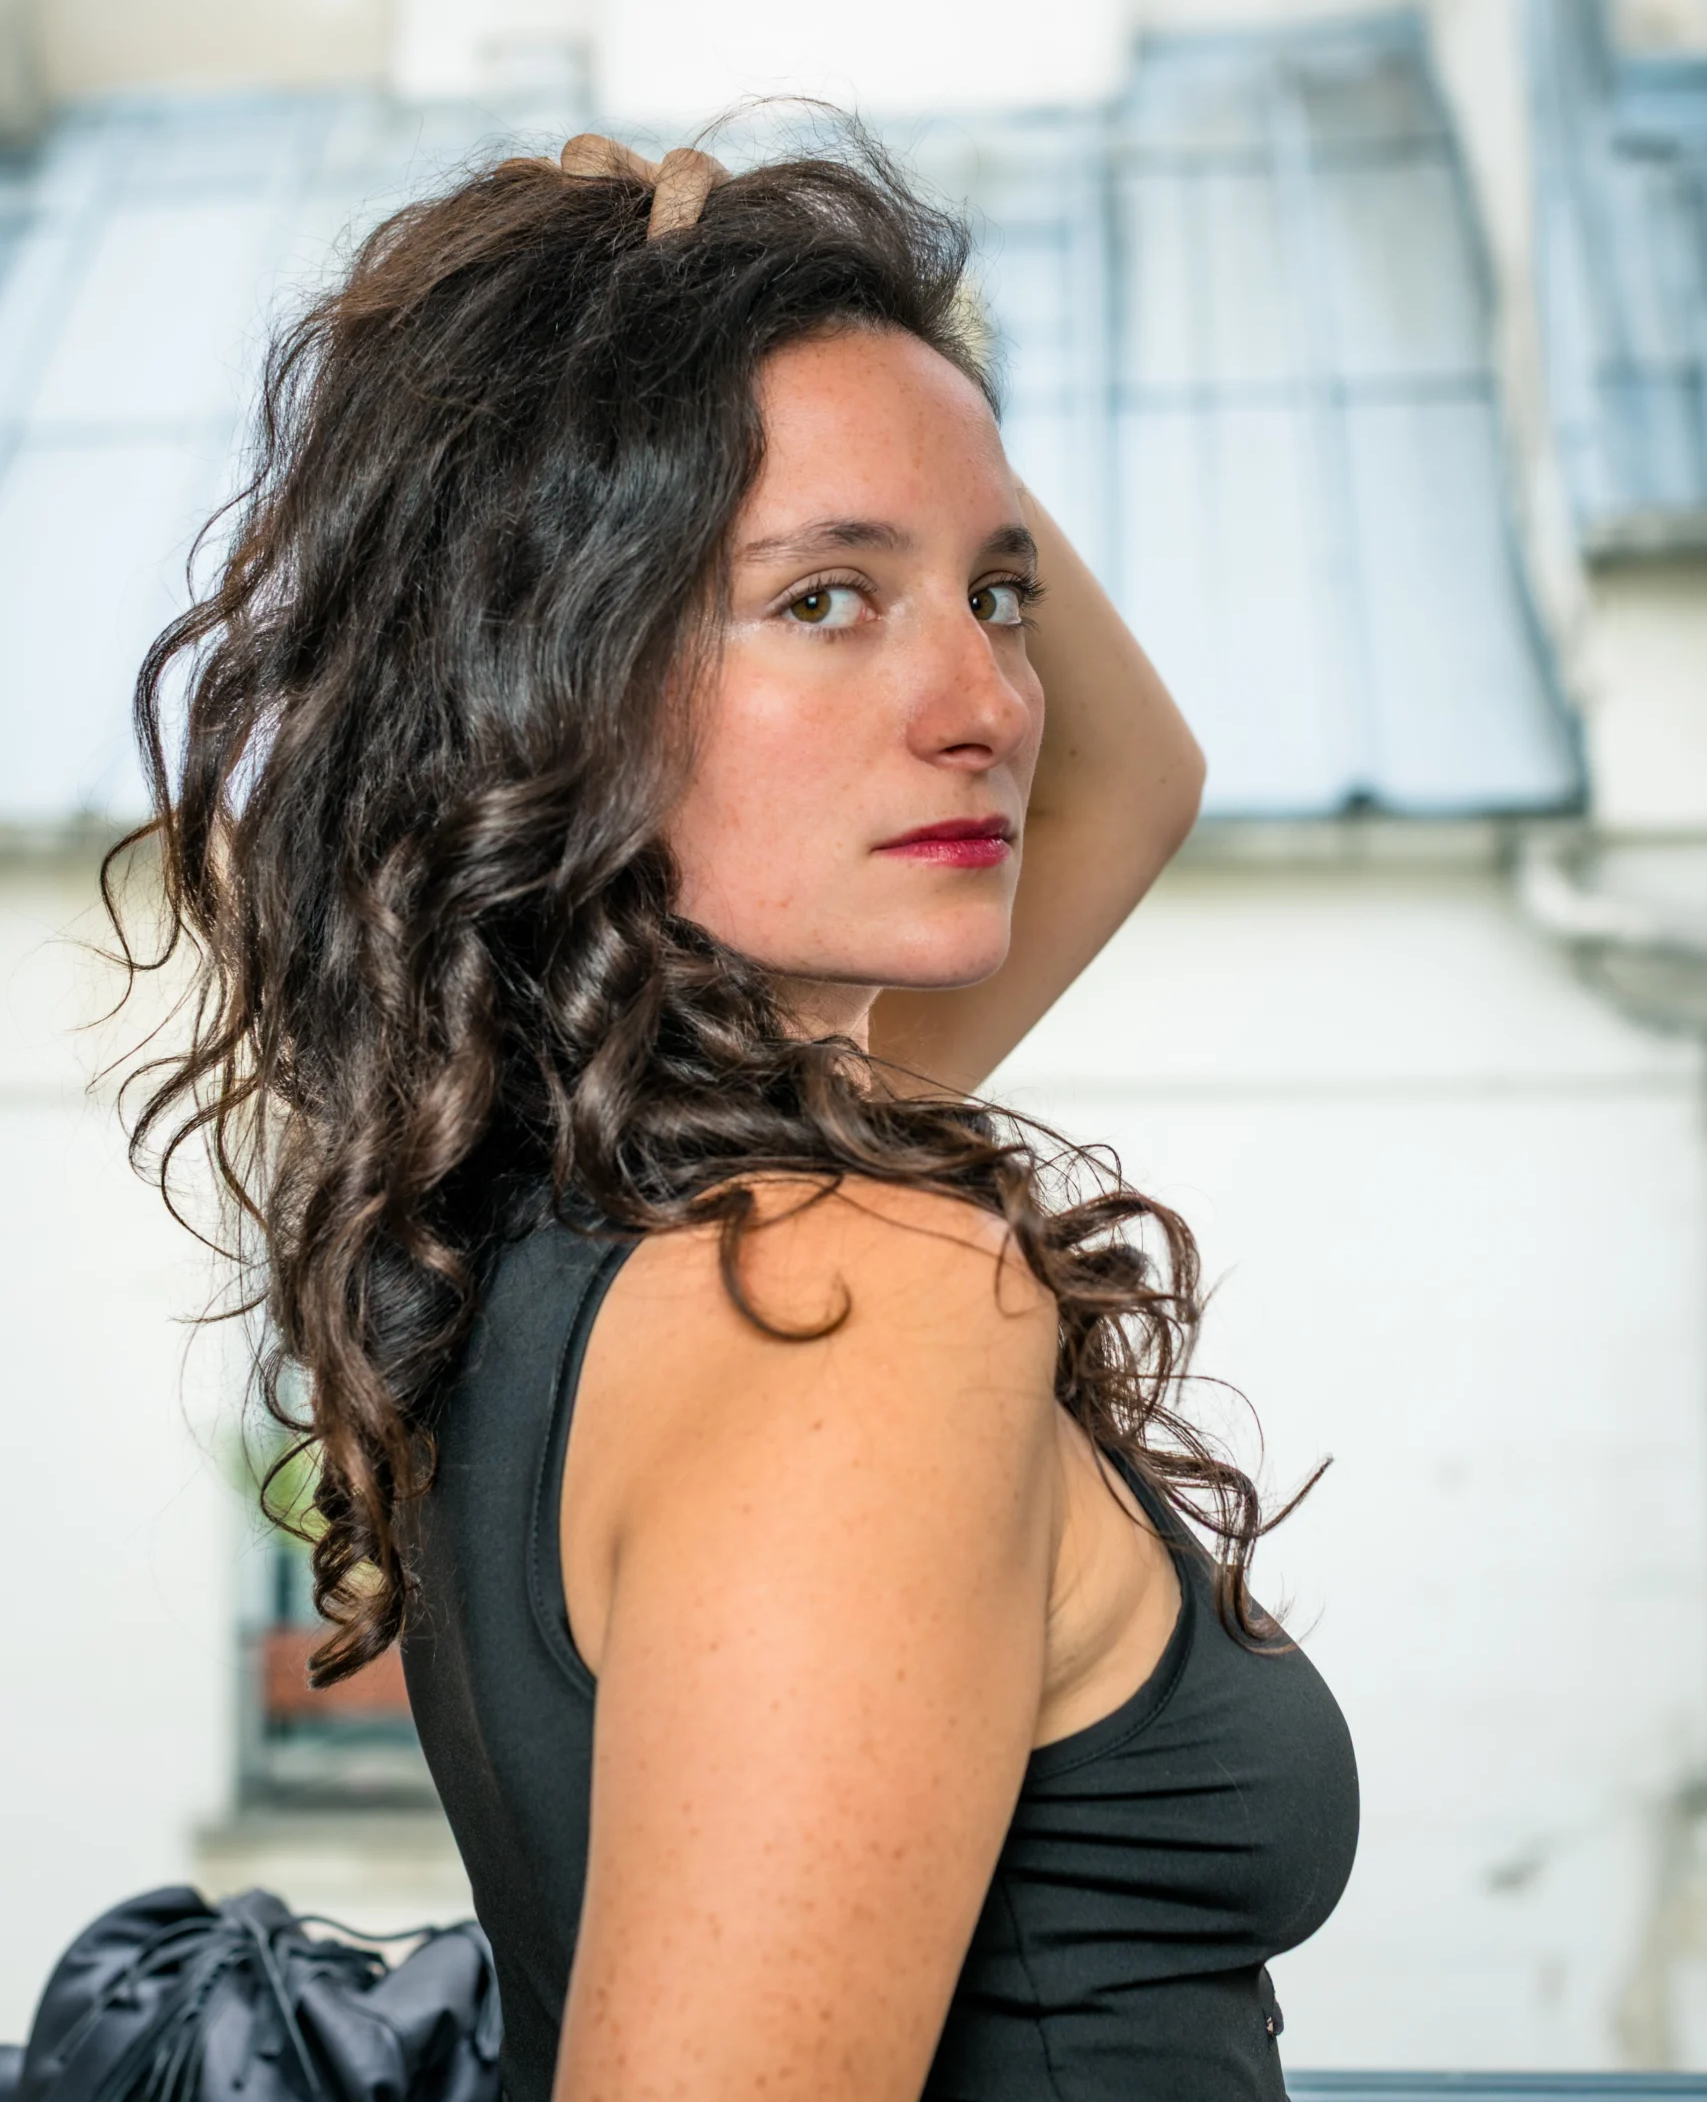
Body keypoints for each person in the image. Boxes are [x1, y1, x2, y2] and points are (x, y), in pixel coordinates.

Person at [113, 130, 1357, 2102]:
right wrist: (668, 371)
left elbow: (1129, 779)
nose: (987, 701)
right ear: (555, 672)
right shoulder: (839, 1302)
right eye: (825, 600)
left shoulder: (556, 1201)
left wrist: (786, 342)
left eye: (996, 593)